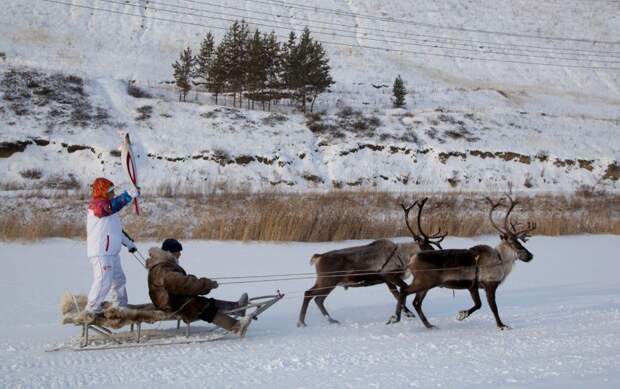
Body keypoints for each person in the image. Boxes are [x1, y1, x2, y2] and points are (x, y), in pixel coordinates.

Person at [146, 239, 252, 337]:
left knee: (202, 301)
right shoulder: (163, 268)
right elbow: (184, 284)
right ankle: (236, 327)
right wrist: (206, 284)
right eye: (178, 251)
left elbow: (180, 281)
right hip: (168, 303)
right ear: (170, 253)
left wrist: (196, 281)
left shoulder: (162, 265)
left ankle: (235, 307)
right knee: (200, 306)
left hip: (169, 298)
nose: (180, 254)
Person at [85, 177, 140, 313]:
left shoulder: (110, 210)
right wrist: (128, 195)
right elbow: (108, 208)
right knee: (104, 281)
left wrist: (129, 244)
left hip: (112, 253)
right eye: (110, 191)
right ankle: (91, 310)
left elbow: (116, 232)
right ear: (102, 191)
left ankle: (120, 306)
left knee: (119, 280)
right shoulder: (97, 205)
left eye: (113, 191)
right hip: (101, 252)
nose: (113, 193)